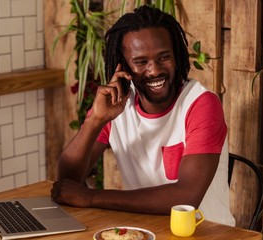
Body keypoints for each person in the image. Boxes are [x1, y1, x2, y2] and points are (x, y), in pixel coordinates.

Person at [51, 5, 235, 226]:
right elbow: (67, 182)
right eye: (140, 62)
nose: (155, 70)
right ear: (124, 65)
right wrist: (95, 120)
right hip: (143, 230)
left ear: (176, 56)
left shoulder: (200, 104)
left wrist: (91, 197)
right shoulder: (116, 106)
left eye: (163, 57)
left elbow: (186, 197)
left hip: (206, 232)